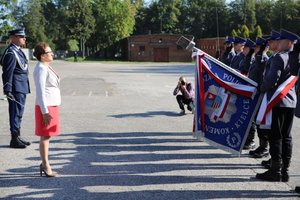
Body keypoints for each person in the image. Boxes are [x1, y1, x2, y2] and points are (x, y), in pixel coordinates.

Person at [256, 29, 299, 182]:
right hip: (290, 101)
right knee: (286, 136)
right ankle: (285, 171)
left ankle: (275, 171)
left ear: (288, 43)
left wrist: (260, 88)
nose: (277, 43)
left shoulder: (279, 58)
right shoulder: (295, 57)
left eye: (280, 41)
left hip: (277, 101)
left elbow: (271, 80)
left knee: (276, 136)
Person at [33, 42, 61, 177]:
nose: (52, 54)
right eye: (49, 52)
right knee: (45, 136)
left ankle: (45, 163)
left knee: (48, 135)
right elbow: (40, 91)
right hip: (46, 107)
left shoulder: (46, 66)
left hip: (51, 105)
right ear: (43, 56)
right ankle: (45, 165)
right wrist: (45, 111)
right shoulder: (41, 69)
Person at [0, 28, 31, 148]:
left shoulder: (18, 50)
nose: (24, 39)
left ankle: (17, 136)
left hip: (21, 86)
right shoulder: (11, 52)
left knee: (19, 112)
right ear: (14, 38)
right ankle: (14, 139)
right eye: (21, 36)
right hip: (15, 87)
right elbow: (8, 72)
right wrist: (7, 89)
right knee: (15, 112)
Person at [247, 37, 270, 157]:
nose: (254, 48)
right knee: (256, 121)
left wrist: (261, 53)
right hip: (254, 94)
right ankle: (261, 146)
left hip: (261, 95)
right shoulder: (257, 59)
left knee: (261, 123)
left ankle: (264, 147)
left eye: (257, 46)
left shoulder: (263, 59)